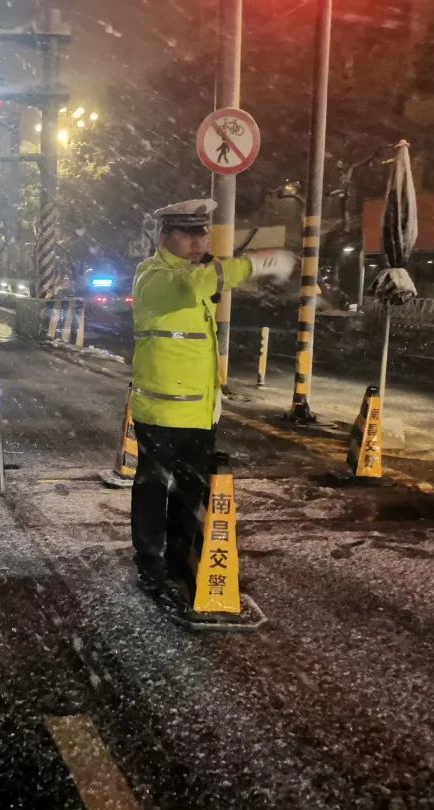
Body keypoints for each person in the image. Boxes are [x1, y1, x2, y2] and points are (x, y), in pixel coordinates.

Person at [130, 199, 295, 608]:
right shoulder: (155, 277)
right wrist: (255, 263)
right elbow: (199, 284)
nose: (198, 241)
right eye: (188, 234)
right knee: (153, 489)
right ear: (165, 237)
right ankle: (149, 565)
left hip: (199, 412)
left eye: (202, 233)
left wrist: (214, 399)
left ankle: (178, 560)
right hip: (162, 411)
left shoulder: (191, 275)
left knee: (189, 493)